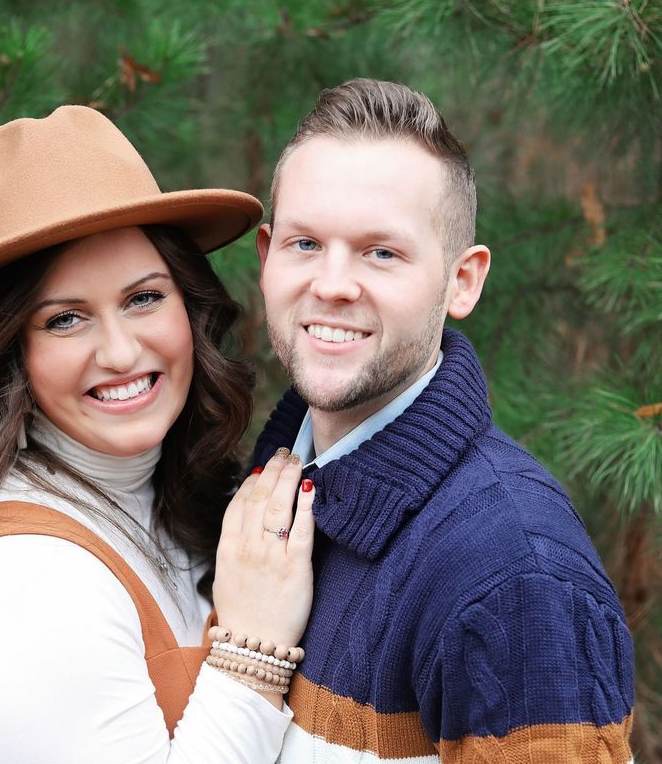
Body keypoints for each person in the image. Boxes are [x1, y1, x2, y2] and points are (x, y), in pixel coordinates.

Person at [0, 105, 316, 763]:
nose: (119, 352)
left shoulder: (165, 499)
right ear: (4, 352)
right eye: (64, 320)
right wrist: (252, 651)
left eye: (143, 298)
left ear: (190, 307)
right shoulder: (19, 581)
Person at [251, 79, 635, 763]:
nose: (333, 284)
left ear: (463, 281)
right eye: (305, 243)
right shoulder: (265, 501)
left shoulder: (516, 574)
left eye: (382, 252)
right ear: (265, 256)